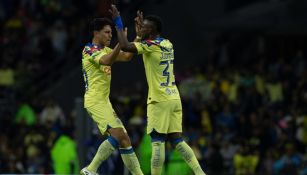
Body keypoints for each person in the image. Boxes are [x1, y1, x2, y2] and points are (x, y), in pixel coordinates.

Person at [110, 5, 207, 175]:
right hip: (174, 98)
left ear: (153, 30)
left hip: (159, 100)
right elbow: (141, 42)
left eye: (145, 26)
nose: (141, 28)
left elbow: (125, 47)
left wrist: (118, 21)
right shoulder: (168, 44)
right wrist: (141, 34)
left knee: (157, 141)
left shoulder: (149, 46)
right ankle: (200, 173)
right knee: (177, 140)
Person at [80, 17, 143, 175]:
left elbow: (128, 56)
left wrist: (138, 36)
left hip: (104, 101)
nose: (110, 35)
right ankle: (90, 169)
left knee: (124, 139)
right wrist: (120, 44)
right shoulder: (89, 50)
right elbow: (106, 61)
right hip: (95, 100)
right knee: (118, 134)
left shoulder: (106, 50)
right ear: (96, 33)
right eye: (107, 32)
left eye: (111, 33)